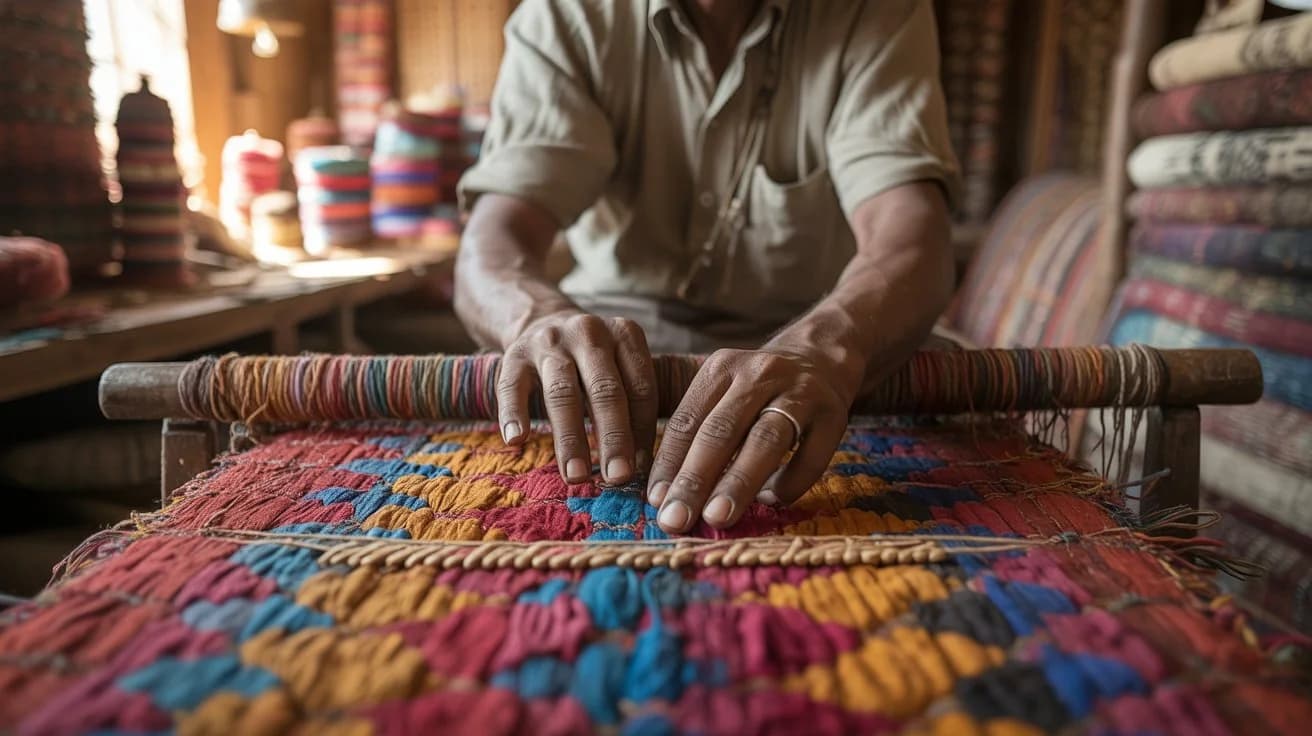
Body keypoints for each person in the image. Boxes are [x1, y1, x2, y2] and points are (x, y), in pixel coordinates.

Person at [455, 0, 960, 534]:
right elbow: (493, 240)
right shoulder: (566, 14)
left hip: (811, 356)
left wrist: (825, 347)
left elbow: (912, 240)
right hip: (612, 352)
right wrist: (537, 318)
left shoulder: (875, 12)